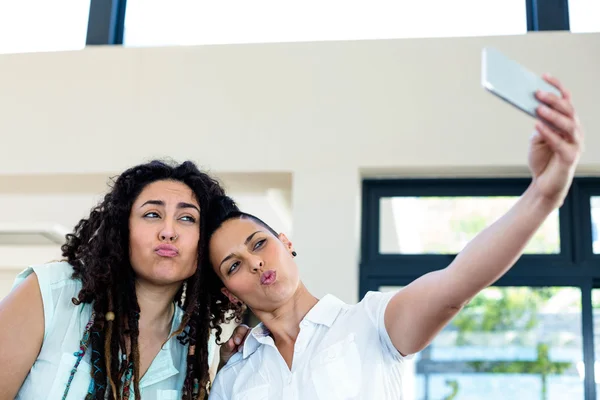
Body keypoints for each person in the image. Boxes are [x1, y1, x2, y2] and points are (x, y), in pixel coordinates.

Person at [203, 75, 584, 399]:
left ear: (285, 243)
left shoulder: (369, 323)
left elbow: (457, 283)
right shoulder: (232, 377)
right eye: (234, 265)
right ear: (230, 293)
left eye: (258, 243)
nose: (254, 262)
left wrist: (542, 196)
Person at [0, 160, 249, 400]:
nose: (168, 232)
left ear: (205, 243)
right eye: (152, 214)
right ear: (123, 229)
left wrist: (228, 375)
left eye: (187, 218)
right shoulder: (49, 292)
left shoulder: (194, 345)